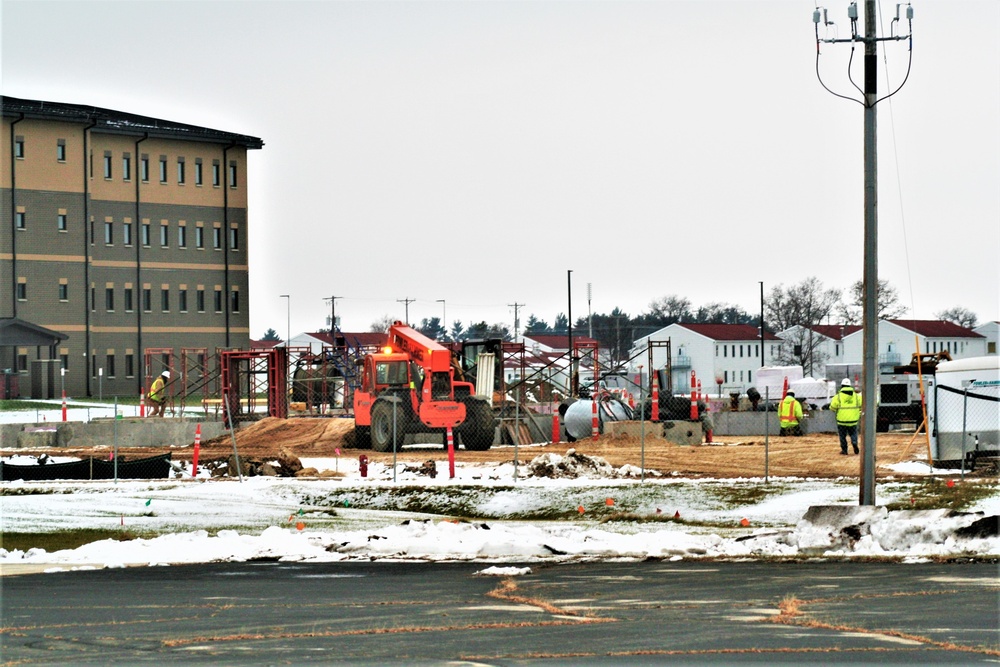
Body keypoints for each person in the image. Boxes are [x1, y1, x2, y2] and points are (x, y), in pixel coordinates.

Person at [830, 378, 862, 455]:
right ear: (850, 386)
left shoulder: (837, 397)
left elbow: (832, 407)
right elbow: (861, 405)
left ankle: (844, 450)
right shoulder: (857, 396)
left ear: (842, 386)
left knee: (842, 436)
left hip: (841, 420)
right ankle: (854, 442)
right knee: (853, 433)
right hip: (853, 420)